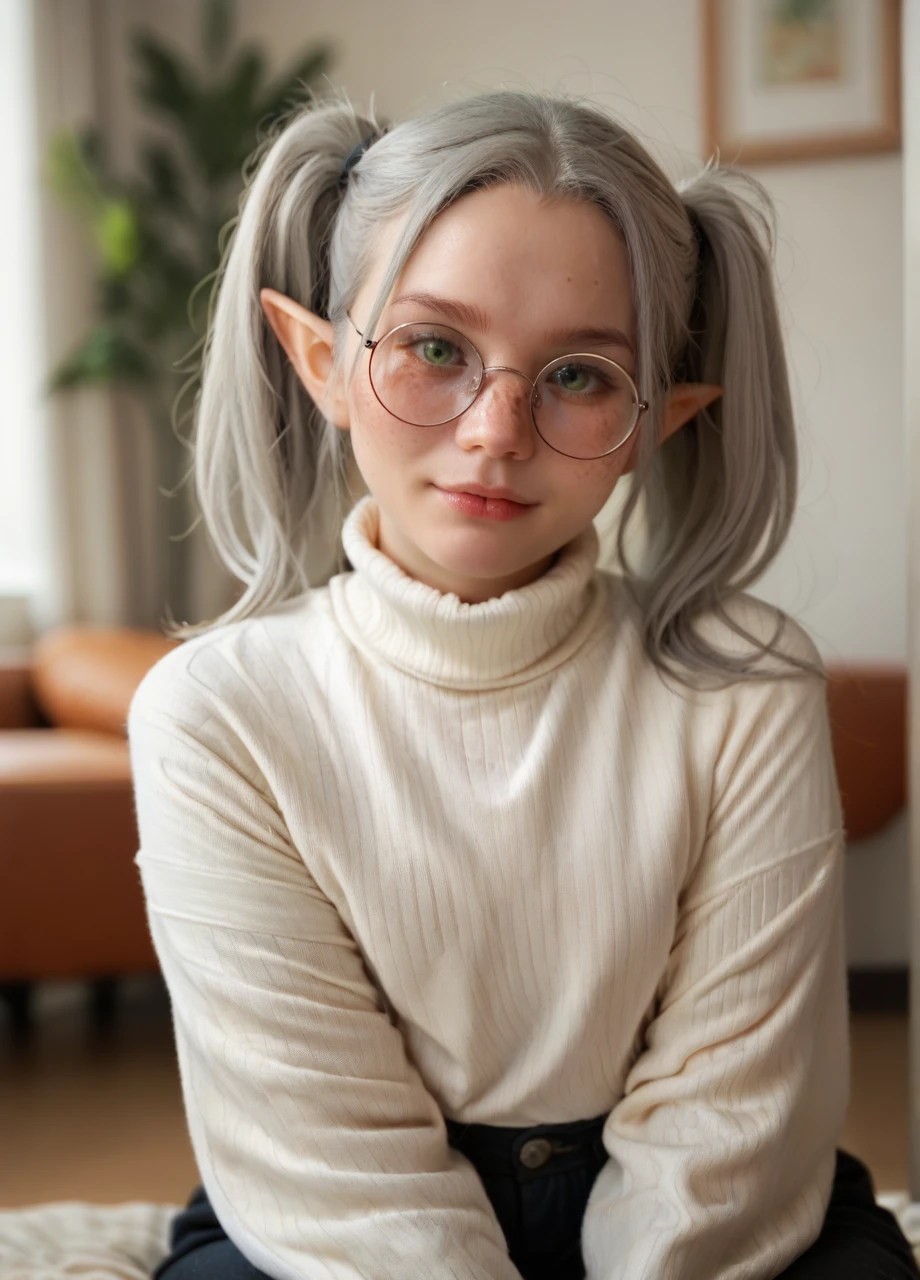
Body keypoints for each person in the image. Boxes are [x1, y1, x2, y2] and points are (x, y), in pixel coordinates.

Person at [130, 87, 919, 1280]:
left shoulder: (744, 688)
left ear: (662, 419)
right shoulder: (215, 713)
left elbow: (731, 1128)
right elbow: (324, 1163)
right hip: (339, 1217)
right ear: (321, 360)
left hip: (697, 1210)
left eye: (580, 376)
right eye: (435, 348)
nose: (497, 429)